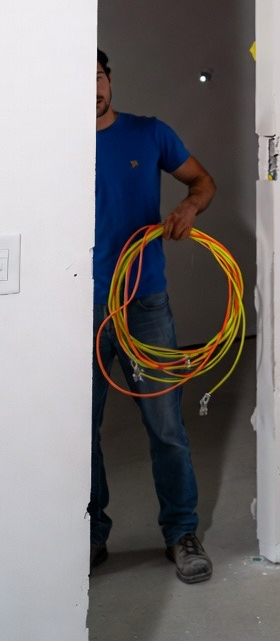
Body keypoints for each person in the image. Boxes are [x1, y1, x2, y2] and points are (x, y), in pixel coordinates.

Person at [91, 48, 217, 584]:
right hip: (84, 307)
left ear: (111, 79)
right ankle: (90, 535)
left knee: (165, 426)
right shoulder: (50, 143)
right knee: (81, 431)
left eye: (96, 76)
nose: (91, 88)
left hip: (145, 305)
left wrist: (189, 208)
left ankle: (181, 533)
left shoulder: (149, 133)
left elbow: (202, 182)